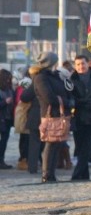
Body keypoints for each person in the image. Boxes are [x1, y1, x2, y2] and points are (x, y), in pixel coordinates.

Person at [21, 52, 70, 183]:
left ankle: (51, 173)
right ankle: (46, 174)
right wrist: (63, 100)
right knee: (49, 143)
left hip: (56, 114)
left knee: (56, 144)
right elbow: (48, 96)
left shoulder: (54, 76)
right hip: (49, 115)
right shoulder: (41, 77)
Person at [14, 76, 32, 170]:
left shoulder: (19, 90)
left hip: (22, 118)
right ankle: (23, 160)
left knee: (24, 139)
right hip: (24, 118)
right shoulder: (23, 92)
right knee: (25, 140)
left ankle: (23, 160)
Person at [0, 69, 14, 168]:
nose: (9, 81)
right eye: (7, 78)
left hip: (8, 118)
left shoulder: (9, 89)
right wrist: (5, 102)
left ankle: (1, 160)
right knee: (3, 141)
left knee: (4, 141)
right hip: (2, 118)